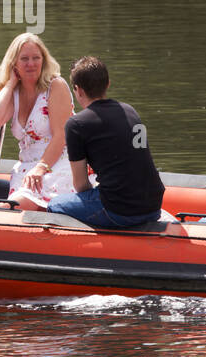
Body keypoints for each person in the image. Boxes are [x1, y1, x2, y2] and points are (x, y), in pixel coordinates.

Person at [46, 56, 165, 228]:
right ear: (108, 83)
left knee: (55, 205)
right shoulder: (129, 110)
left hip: (120, 210)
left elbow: (80, 185)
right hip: (154, 205)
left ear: (78, 90)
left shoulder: (76, 124)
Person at [0, 33, 84, 210]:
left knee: (21, 202)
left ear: (44, 60)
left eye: (36, 58)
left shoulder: (55, 86)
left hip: (58, 162)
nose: (31, 64)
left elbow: (61, 136)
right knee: (21, 199)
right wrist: (11, 83)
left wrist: (41, 168)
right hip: (26, 167)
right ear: (14, 64)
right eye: (24, 59)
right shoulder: (14, 93)